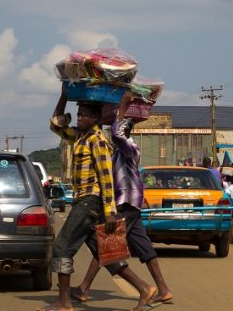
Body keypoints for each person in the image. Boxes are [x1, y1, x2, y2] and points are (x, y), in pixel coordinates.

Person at [39, 87, 156, 311]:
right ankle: (144, 288)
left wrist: (110, 210)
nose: (80, 117)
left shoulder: (98, 141)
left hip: (90, 202)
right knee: (106, 253)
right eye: (79, 113)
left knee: (62, 247)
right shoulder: (79, 137)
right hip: (85, 202)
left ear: (96, 118)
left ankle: (64, 302)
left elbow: (106, 178)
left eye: (84, 114)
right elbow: (55, 125)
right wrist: (63, 96)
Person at [70, 93, 172, 308]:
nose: (112, 132)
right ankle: (163, 289)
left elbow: (116, 133)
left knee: (105, 244)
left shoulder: (129, 148)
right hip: (131, 204)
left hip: (126, 202)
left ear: (125, 131)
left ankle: (85, 288)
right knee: (144, 248)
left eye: (118, 129)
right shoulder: (116, 151)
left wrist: (123, 104)